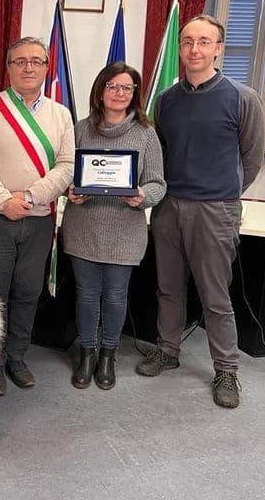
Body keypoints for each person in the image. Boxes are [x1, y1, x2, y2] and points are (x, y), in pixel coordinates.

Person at [135, 14, 265, 409]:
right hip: (169, 207)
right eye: (188, 41)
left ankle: (226, 369)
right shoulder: (166, 100)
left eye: (204, 42)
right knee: (168, 287)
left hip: (215, 210)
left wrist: (223, 195)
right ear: (181, 48)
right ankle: (168, 349)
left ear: (218, 49)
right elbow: (161, 154)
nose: (194, 49)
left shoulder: (242, 98)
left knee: (215, 295)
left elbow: (251, 159)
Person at [0, 36, 75, 395]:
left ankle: (16, 356)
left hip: (39, 218)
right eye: (20, 61)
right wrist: (2, 200)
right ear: (8, 67)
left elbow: (67, 165)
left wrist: (28, 197)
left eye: (36, 61)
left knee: (27, 292)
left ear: (46, 68)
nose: (29, 67)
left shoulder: (60, 114)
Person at [60, 61, 166, 391]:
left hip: (125, 232)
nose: (119, 93)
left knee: (116, 297)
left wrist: (142, 195)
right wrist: (69, 191)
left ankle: (108, 355)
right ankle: (87, 353)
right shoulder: (80, 129)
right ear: (100, 90)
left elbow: (158, 184)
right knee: (86, 296)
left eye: (126, 88)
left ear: (135, 94)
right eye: (112, 86)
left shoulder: (146, 134)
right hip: (83, 228)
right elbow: (64, 173)